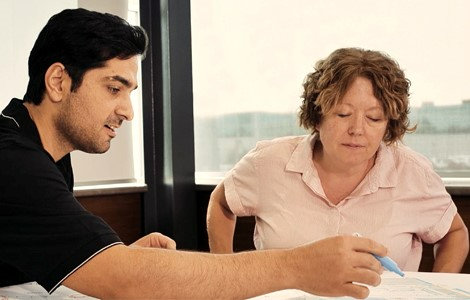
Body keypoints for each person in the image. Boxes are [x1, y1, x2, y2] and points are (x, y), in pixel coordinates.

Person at [0, 9, 388, 299]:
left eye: (129, 94)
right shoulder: (14, 161)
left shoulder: (41, 151)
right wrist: (297, 266)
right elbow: (127, 280)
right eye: (113, 89)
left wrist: (99, 258)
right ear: (58, 81)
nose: (128, 111)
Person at [207, 48, 469, 273]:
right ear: (317, 114)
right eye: (342, 114)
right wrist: (224, 275)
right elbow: (221, 201)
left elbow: (454, 234)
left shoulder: (413, 174)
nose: (357, 129)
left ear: (389, 124)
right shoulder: (268, 162)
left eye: (374, 118)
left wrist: (436, 289)